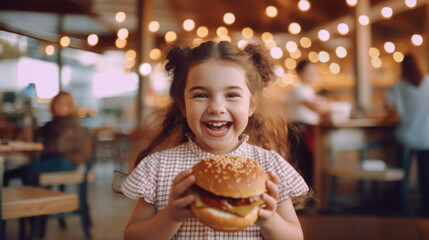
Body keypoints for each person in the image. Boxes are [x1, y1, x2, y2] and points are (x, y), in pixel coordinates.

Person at [121, 41, 309, 240]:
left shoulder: (270, 168)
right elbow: (132, 236)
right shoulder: (158, 168)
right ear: (183, 106)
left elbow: (295, 237)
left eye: (232, 95)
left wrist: (269, 220)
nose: (216, 107)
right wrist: (170, 216)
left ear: (251, 105)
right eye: (201, 95)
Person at [3, 91, 90, 186]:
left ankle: (37, 196)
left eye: (65, 104)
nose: (60, 106)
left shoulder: (70, 124)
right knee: (24, 170)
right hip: (57, 158)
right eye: (58, 103)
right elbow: (39, 131)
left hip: (68, 160)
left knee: (31, 170)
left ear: (71, 106)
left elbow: (58, 147)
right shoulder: (55, 122)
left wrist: (33, 153)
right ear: (53, 105)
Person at [385, 53, 429, 217]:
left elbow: (389, 107)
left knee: (402, 175)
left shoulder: (399, 86)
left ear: (402, 68)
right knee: (426, 175)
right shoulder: (428, 82)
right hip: (426, 137)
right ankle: (426, 209)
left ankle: (403, 210)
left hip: (407, 137)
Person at [287, 59, 331, 187]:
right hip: (299, 130)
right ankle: (303, 198)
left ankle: (310, 194)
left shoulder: (309, 90)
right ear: (300, 72)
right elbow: (315, 107)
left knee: (310, 163)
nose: (313, 74)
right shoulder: (298, 90)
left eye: (314, 71)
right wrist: (332, 106)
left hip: (309, 130)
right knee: (302, 163)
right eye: (309, 71)